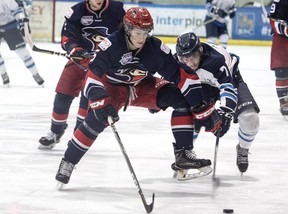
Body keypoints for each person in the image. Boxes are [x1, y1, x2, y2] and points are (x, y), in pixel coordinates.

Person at [55, 7, 222, 185]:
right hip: (113, 87)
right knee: (97, 119)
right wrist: (99, 101)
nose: (142, 37)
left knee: (181, 99)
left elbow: (180, 75)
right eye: (137, 32)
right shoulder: (111, 45)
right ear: (127, 29)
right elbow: (92, 75)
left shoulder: (155, 48)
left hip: (142, 85)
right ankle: (68, 161)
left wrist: (200, 105)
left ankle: (184, 154)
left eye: (145, 32)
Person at [38, 0, 125, 149]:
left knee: (87, 102)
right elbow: (67, 38)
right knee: (62, 95)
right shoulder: (76, 12)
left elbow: (127, 36)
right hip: (80, 61)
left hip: (103, 66)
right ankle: (55, 131)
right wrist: (75, 49)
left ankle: (77, 135)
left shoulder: (117, 10)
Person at [175, 32, 260, 173]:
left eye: (194, 57)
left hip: (231, 80)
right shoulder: (177, 62)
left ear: (200, 51)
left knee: (251, 119)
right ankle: (185, 155)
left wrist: (226, 113)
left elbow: (228, 87)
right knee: (190, 117)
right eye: (185, 59)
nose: (190, 63)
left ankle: (243, 148)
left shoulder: (215, 60)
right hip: (200, 84)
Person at [0, 0, 44, 86]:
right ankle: (3, 73)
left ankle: (35, 74)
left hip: (9, 26)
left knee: (22, 52)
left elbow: (17, 10)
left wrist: (21, 22)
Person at [268, 0, 288, 118]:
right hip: (282, 42)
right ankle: (284, 102)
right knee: (281, 71)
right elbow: (273, 22)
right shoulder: (280, 1)